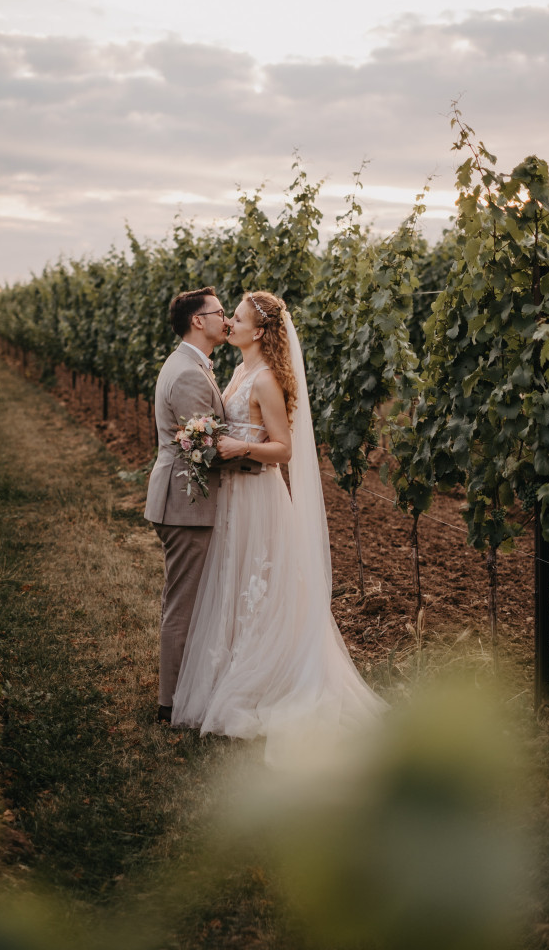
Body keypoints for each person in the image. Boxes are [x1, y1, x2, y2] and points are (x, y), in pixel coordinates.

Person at [171, 291, 385, 762]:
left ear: (260, 332)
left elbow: (283, 449)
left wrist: (238, 449)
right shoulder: (238, 371)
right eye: (229, 318)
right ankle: (224, 672)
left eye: (239, 319)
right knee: (234, 580)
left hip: (259, 496)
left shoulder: (266, 380)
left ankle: (262, 680)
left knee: (259, 585)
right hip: (234, 497)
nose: (229, 324)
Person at [144, 287, 260, 724]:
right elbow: (203, 448)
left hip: (183, 498)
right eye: (218, 313)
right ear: (198, 321)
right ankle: (170, 703)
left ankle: (185, 690)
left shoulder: (191, 364)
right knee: (184, 603)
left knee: (188, 598)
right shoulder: (189, 373)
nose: (225, 320)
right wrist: (257, 459)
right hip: (186, 503)